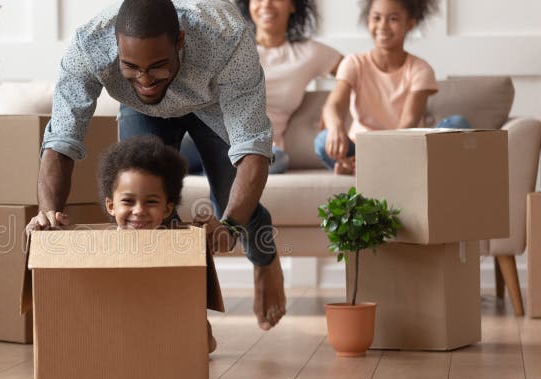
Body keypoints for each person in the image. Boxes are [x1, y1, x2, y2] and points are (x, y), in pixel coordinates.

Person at [25, 0, 287, 331]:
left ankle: (265, 261)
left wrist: (231, 226)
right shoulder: (88, 47)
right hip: (144, 111)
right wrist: (48, 212)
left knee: (228, 199)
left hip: (214, 103)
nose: (146, 79)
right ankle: (184, 309)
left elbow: (253, 151)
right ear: (115, 46)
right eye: (131, 67)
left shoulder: (228, 39)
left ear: (180, 40)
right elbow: (61, 142)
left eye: (158, 66)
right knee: (144, 202)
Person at [183, 0, 342, 174]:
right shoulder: (230, 44)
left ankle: (213, 170)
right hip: (211, 137)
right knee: (165, 152)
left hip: (262, 147)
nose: (266, 4)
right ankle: (215, 168)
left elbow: (354, 70)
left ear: (293, 5)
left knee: (278, 160)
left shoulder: (309, 52)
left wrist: (332, 107)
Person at [315, 0, 470, 175]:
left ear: (410, 24)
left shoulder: (420, 69)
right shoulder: (353, 63)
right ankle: (364, 167)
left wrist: (381, 156)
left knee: (458, 124)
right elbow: (332, 106)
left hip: (403, 147)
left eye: (393, 19)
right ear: (368, 21)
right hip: (360, 150)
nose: (383, 26)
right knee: (322, 140)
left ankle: (367, 170)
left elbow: (408, 122)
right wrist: (336, 128)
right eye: (376, 18)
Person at [98, 135, 218, 352]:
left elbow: (204, 343)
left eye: (151, 202)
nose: (139, 211)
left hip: (162, 328)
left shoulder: (176, 249)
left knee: (202, 342)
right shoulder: (101, 248)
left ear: (167, 209)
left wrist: (202, 236)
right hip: (117, 328)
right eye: (128, 201)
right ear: (110, 206)